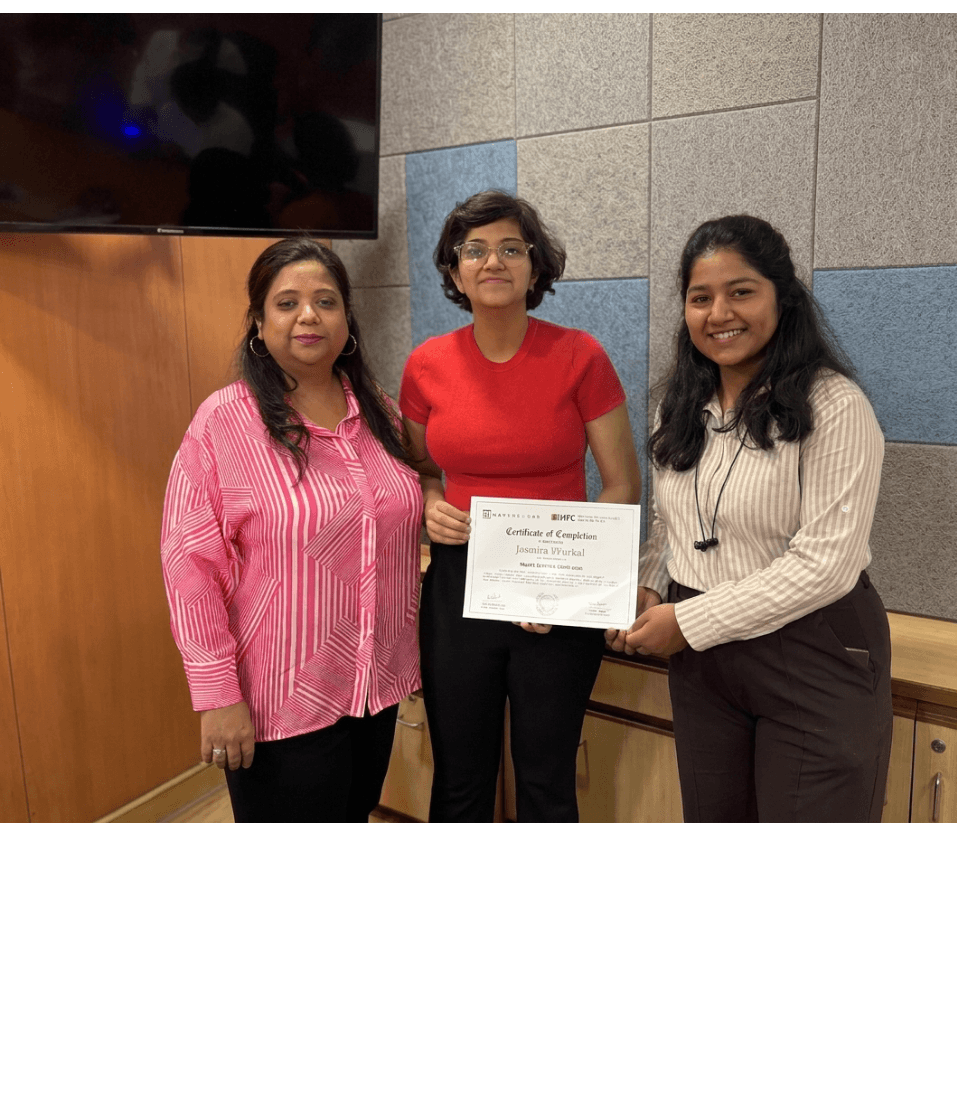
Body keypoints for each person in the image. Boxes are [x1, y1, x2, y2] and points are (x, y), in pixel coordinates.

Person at [607, 215, 892, 822]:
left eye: (741, 291)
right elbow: (671, 524)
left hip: (812, 648)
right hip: (701, 661)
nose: (719, 313)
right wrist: (648, 584)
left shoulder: (834, 406)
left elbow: (826, 566)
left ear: (781, 298)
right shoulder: (678, 404)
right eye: (700, 297)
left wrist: (688, 621)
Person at [399, 190, 641, 822]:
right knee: (459, 777)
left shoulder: (580, 356)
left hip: (558, 589)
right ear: (454, 271)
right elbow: (418, 468)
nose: (493, 262)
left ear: (536, 267)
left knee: (545, 778)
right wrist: (428, 501)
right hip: (457, 584)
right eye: (473, 250)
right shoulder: (426, 366)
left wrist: (563, 586)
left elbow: (622, 485)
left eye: (511, 248)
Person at [161, 237, 422, 822]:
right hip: (277, 701)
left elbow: (413, 491)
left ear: (347, 320)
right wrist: (218, 697)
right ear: (258, 322)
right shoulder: (225, 422)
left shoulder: (376, 409)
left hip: (372, 689)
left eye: (326, 301)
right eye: (287, 303)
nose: (309, 315)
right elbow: (189, 565)